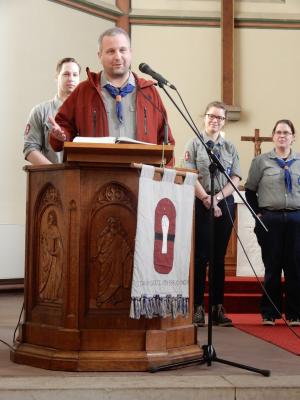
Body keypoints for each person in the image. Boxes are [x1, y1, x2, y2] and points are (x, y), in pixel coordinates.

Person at [48, 27, 174, 152]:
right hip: (96, 170)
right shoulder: (84, 91)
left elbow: (166, 143)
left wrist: (164, 172)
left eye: (122, 50)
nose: (118, 57)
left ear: (130, 52)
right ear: (100, 55)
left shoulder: (149, 92)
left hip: (140, 171)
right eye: (111, 51)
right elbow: (62, 130)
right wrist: (59, 136)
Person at [183, 101, 241, 327]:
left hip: (224, 203)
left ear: (224, 121)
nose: (214, 120)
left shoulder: (229, 148)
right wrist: (206, 199)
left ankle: (217, 308)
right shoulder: (195, 144)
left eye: (219, 118)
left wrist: (217, 199)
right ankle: (197, 308)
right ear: (204, 117)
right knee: (201, 257)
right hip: (200, 202)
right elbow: (190, 173)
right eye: (211, 116)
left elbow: (235, 178)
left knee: (218, 258)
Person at [245, 119, 300, 327]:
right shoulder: (261, 161)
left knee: (295, 267)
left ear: (293, 137)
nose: (282, 136)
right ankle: (270, 313)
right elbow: (250, 191)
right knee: (272, 267)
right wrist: (258, 215)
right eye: (278, 132)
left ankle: (295, 313)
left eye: (286, 132)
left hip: (296, 220)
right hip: (271, 220)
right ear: (273, 136)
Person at [23, 57, 81, 164]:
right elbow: (30, 148)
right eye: (66, 74)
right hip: (52, 178)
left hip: (85, 178)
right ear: (56, 77)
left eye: (75, 75)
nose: (71, 78)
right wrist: (55, 174)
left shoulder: (88, 112)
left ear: (79, 79)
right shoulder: (40, 111)